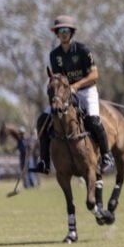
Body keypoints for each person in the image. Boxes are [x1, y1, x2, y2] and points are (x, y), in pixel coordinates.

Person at [30, 15, 114, 175]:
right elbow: (58, 77)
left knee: (94, 120)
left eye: (66, 30)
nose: (63, 33)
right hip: (66, 94)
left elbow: (94, 75)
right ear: (56, 33)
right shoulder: (55, 55)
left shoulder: (82, 50)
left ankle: (106, 156)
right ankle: (44, 160)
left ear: (71, 32)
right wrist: (62, 92)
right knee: (43, 120)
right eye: (60, 30)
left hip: (87, 90)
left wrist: (76, 86)